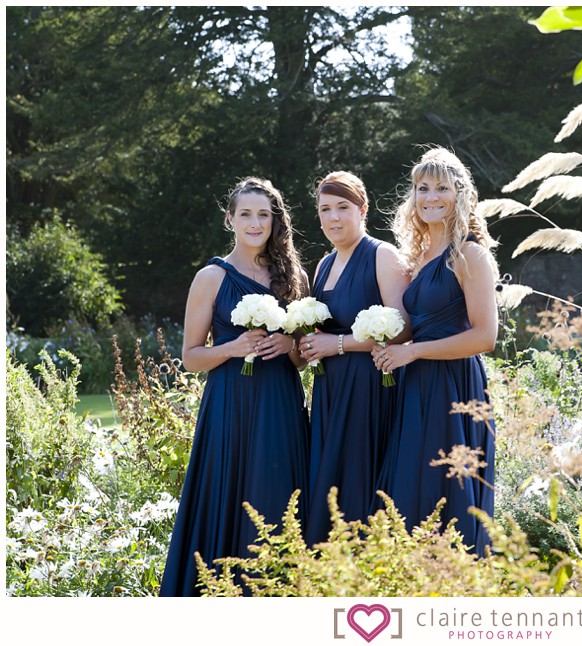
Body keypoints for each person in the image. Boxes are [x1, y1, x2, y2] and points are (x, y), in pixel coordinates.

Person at [159, 176, 310, 596]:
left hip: (279, 401)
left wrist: (289, 345)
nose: (255, 223)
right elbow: (191, 357)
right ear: (230, 219)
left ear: (275, 220)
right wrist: (232, 348)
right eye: (246, 214)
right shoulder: (211, 276)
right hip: (230, 404)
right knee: (228, 493)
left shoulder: (292, 276)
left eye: (264, 215)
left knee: (277, 493)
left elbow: (301, 357)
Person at [373, 147, 498, 555]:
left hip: (454, 387)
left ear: (460, 194)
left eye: (441, 187)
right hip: (416, 383)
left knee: (447, 488)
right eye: (422, 187)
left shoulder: (470, 254)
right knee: (412, 486)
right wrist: (388, 344)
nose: (430, 196)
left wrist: (412, 351)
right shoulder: (419, 257)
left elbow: (484, 338)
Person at [298, 170, 410, 547]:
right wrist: (309, 344)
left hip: (370, 387)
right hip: (329, 389)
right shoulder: (323, 266)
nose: (333, 217)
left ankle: (366, 562)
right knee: (328, 480)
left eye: (342, 207)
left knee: (359, 479)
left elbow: (402, 330)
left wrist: (339, 345)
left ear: (363, 209)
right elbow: (323, 331)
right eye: (325, 209)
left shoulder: (382, 255)